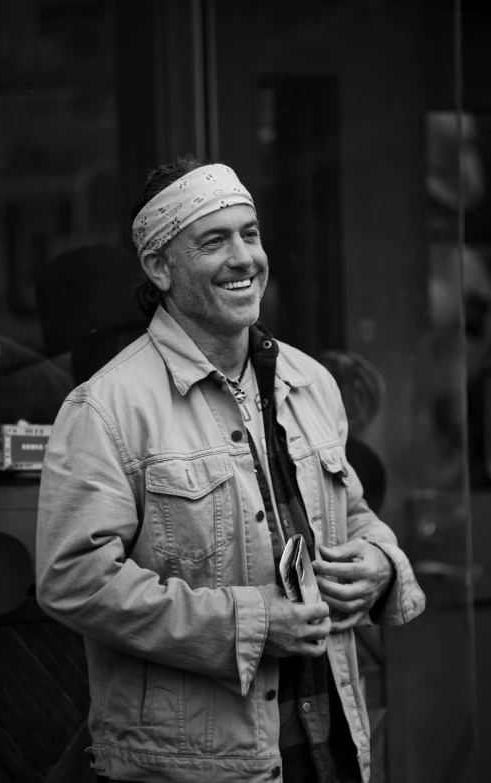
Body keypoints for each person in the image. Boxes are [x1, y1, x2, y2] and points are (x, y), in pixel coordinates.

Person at [36, 154, 425, 783]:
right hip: (196, 763)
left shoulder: (311, 381)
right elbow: (73, 580)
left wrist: (381, 563)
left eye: (251, 233)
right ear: (159, 267)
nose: (244, 257)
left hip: (331, 743)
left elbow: (351, 511)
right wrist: (248, 624)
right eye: (214, 241)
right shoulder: (105, 407)